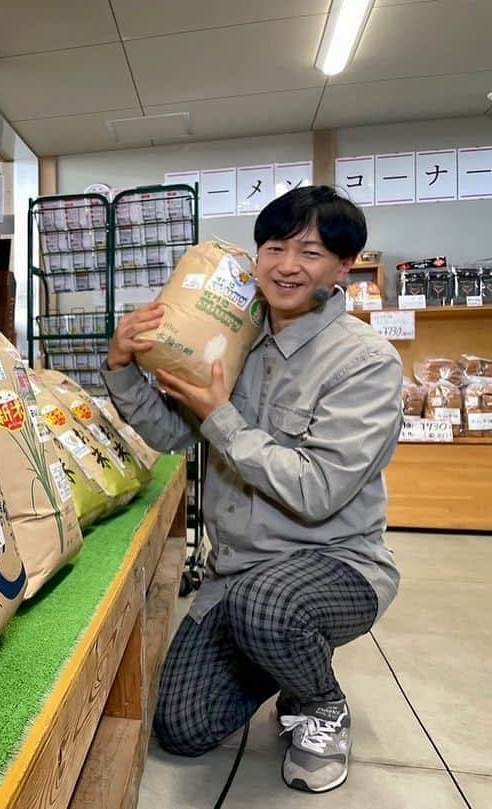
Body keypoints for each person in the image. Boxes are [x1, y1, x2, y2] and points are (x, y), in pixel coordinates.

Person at [102, 185, 403, 794]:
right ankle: (280, 652)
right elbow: (173, 436)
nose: (287, 265)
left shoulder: (365, 362)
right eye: (275, 247)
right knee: (183, 729)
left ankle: (319, 702)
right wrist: (120, 367)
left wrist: (222, 417)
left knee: (267, 607)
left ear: (345, 266)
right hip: (236, 574)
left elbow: (318, 490)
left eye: (311, 252)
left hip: (337, 568)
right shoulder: (234, 338)